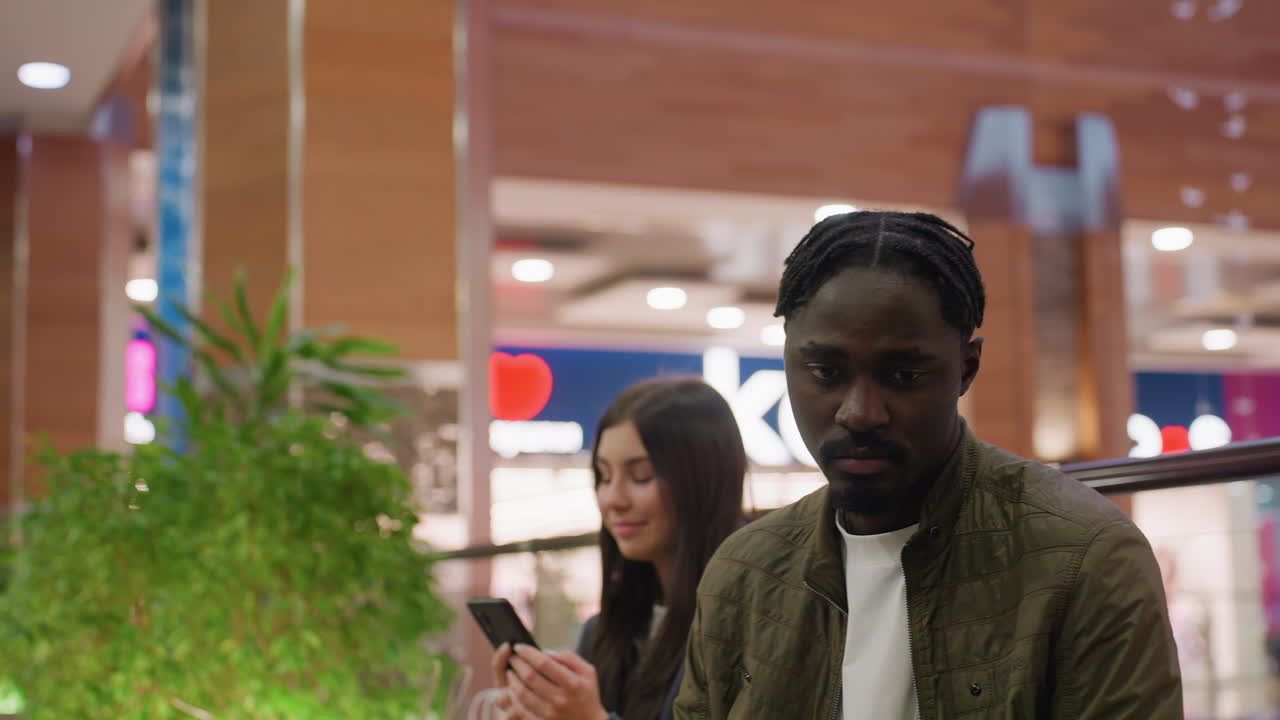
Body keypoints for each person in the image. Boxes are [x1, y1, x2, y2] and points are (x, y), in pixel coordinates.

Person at [674, 211, 1182, 719]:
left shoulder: (1086, 560)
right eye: (826, 372)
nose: (860, 413)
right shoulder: (745, 573)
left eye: (903, 374)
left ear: (966, 369)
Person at [493, 377, 747, 720]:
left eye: (640, 476)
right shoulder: (604, 632)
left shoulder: (746, 630)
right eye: (604, 476)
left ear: (702, 481)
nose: (612, 499)